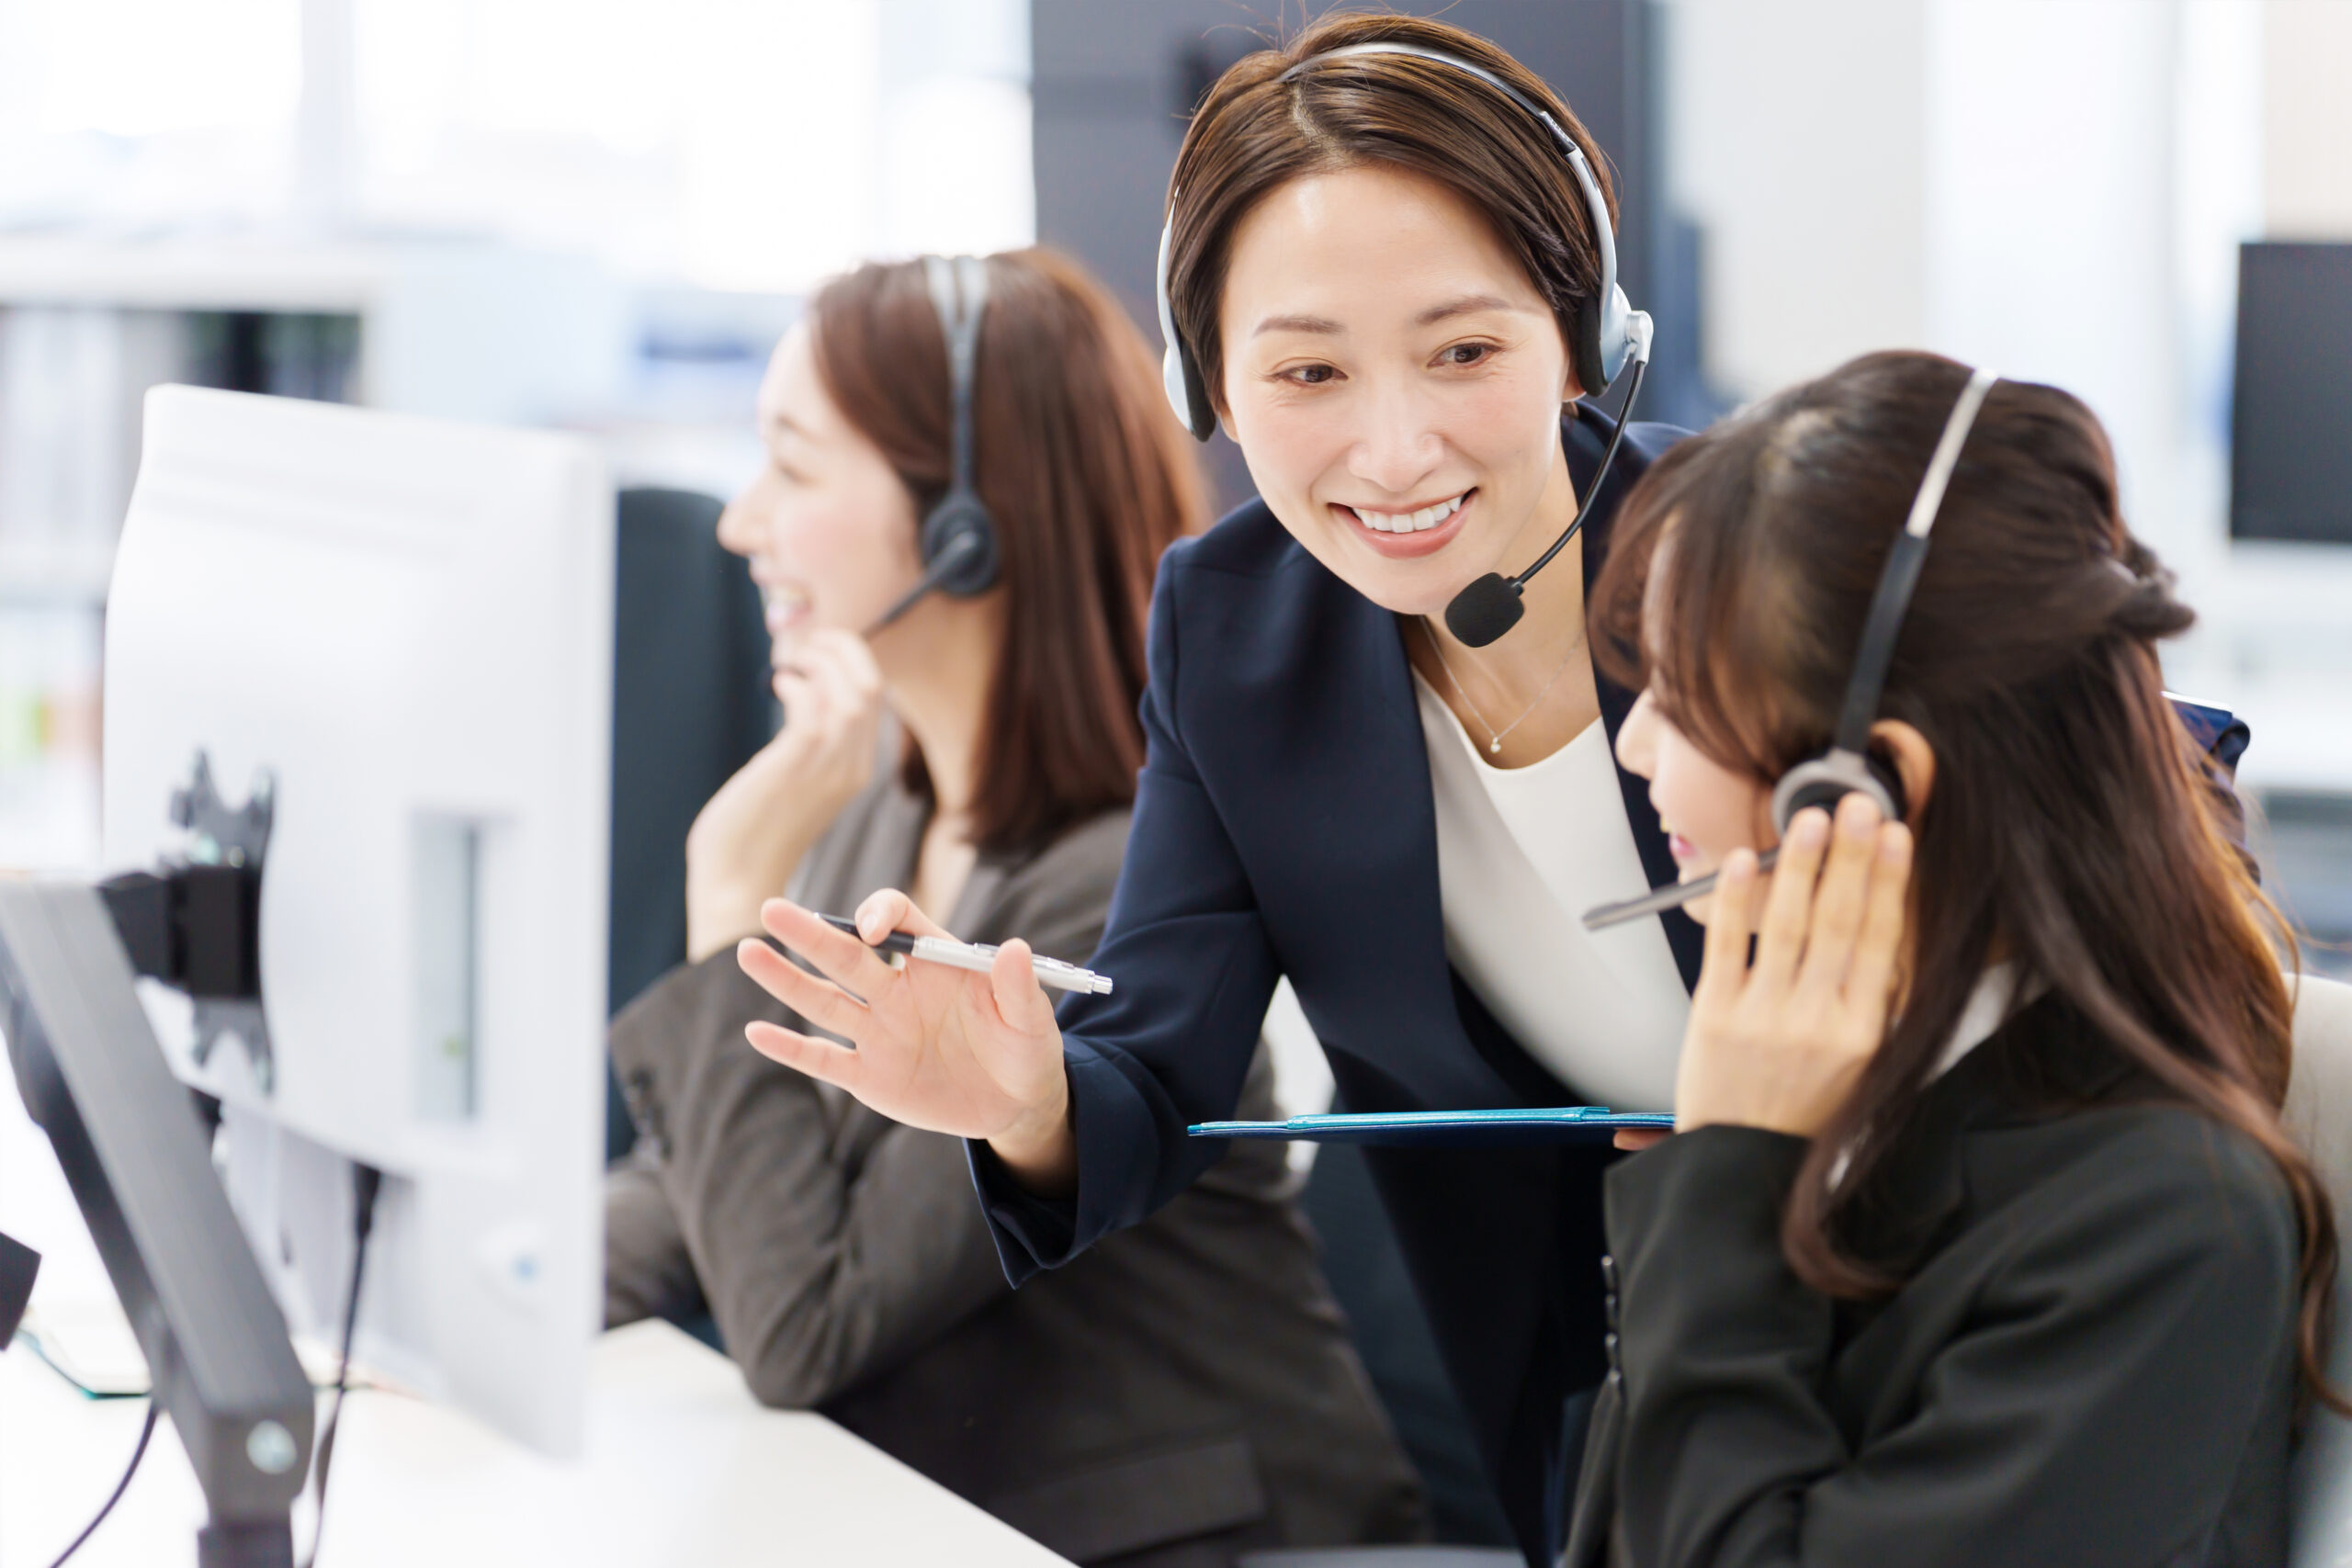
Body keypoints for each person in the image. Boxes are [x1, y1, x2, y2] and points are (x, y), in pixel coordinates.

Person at [726, 16, 2253, 1562]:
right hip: (1616, 1353)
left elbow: (2092, 767)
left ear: (1586, 338)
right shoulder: (1233, 633)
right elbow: (1160, 1061)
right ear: (1212, 386)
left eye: (1465, 353)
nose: (1394, 452)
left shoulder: (1752, 566)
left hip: (1959, 1310)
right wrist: (1031, 1104)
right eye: (1307, 370)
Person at [601, 246, 1424, 1567]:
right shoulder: (888, 811)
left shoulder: (1117, 894)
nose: (741, 524)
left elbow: (803, 1321)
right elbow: (717, 1175)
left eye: (794, 469)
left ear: (965, 525)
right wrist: (485, 1295)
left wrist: (732, 889)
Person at [1565, 350, 2337, 1567]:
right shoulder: (1850, 1087)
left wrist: (1727, 1183)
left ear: (1867, 781)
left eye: (1677, 696)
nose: (1637, 745)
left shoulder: (2159, 1221)